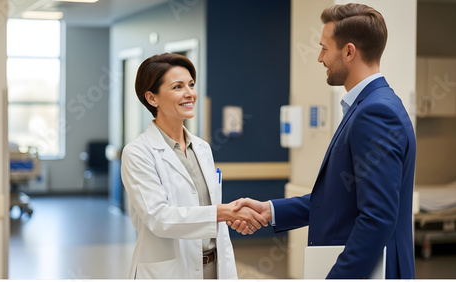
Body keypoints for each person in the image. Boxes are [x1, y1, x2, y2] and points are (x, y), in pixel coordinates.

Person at [230, 3, 416, 279]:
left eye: (324, 48)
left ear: (349, 51)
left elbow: (377, 219)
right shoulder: (371, 105)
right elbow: (338, 197)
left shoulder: (376, 113)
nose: (319, 58)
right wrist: (270, 210)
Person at [121, 53, 267, 279]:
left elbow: (207, 207)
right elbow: (159, 218)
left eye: (191, 84)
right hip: (170, 272)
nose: (189, 93)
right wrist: (223, 213)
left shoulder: (202, 148)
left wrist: (230, 217)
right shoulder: (138, 152)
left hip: (215, 267)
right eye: (178, 87)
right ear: (152, 98)